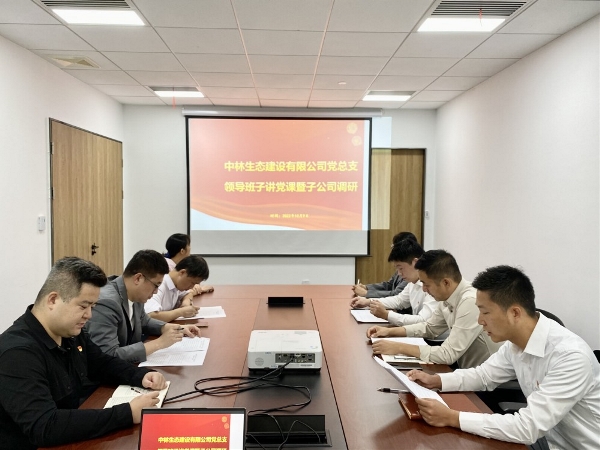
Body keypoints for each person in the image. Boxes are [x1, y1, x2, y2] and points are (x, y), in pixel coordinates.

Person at [408, 265, 600, 450]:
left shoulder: (570, 357)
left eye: (485, 312)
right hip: (548, 439)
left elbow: (527, 428)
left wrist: (451, 417)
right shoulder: (515, 343)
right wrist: (436, 380)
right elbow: (483, 375)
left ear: (515, 313)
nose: (480, 320)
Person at [0, 257, 167, 450]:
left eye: (92, 307)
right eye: (83, 306)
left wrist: (141, 375)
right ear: (53, 300)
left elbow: (101, 363)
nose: (89, 315)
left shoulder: (69, 332)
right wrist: (126, 413)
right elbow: (45, 426)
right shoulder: (17, 353)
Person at [367, 250, 501, 369]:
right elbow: (430, 328)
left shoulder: (470, 301)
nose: (424, 289)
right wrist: (389, 331)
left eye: (426, 284)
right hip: (466, 371)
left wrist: (399, 347)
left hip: (489, 382)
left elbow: (448, 354)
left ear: (446, 282)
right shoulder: (448, 296)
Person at [85, 249, 202, 364]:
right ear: (138, 278)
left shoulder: (134, 293)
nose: (156, 292)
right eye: (156, 285)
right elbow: (107, 355)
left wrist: (172, 328)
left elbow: (143, 321)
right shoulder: (107, 303)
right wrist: (159, 343)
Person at [350, 238, 436, 326]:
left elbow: (423, 321)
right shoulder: (412, 282)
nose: (399, 273)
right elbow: (399, 300)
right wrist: (368, 302)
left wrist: (387, 315)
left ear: (415, 263)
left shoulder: (432, 284)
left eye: (401, 268)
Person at [144, 255, 210, 322]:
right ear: (182, 272)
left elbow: (188, 293)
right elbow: (150, 316)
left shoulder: (176, 284)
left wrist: (186, 302)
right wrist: (181, 312)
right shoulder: (159, 286)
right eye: (192, 283)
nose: (192, 287)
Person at [351, 231, 417, 298]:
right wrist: (367, 287)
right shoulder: (402, 264)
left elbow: (396, 294)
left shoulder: (411, 272)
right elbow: (389, 285)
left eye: (393, 246)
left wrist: (366, 293)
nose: (399, 273)